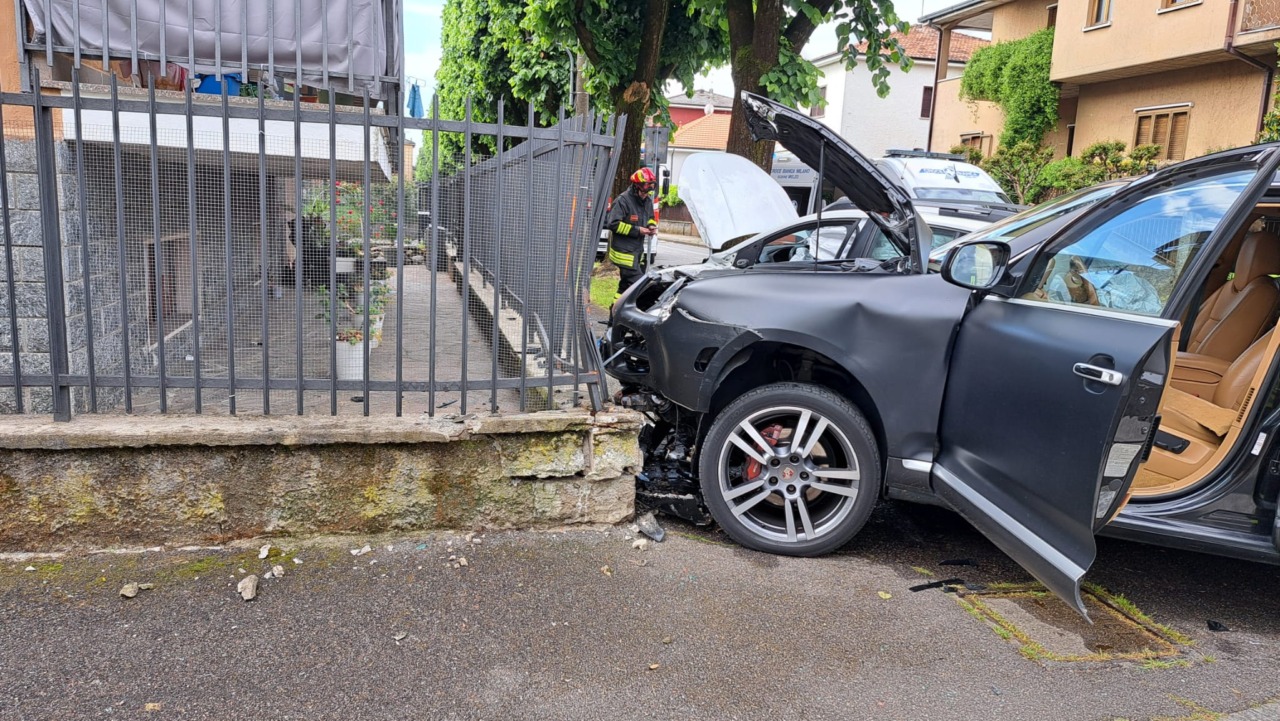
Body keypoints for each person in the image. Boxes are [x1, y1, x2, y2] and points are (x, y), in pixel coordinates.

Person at [606, 167, 658, 300]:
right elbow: (613, 224)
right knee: (642, 285)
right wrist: (637, 230)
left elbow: (650, 217)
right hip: (624, 253)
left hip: (635, 252)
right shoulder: (623, 200)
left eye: (648, 192)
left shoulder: (646, 200)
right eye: (644, 192)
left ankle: (614, 317)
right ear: (637, 186)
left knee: (624, 289)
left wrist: (651, 225)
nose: (646, 195)